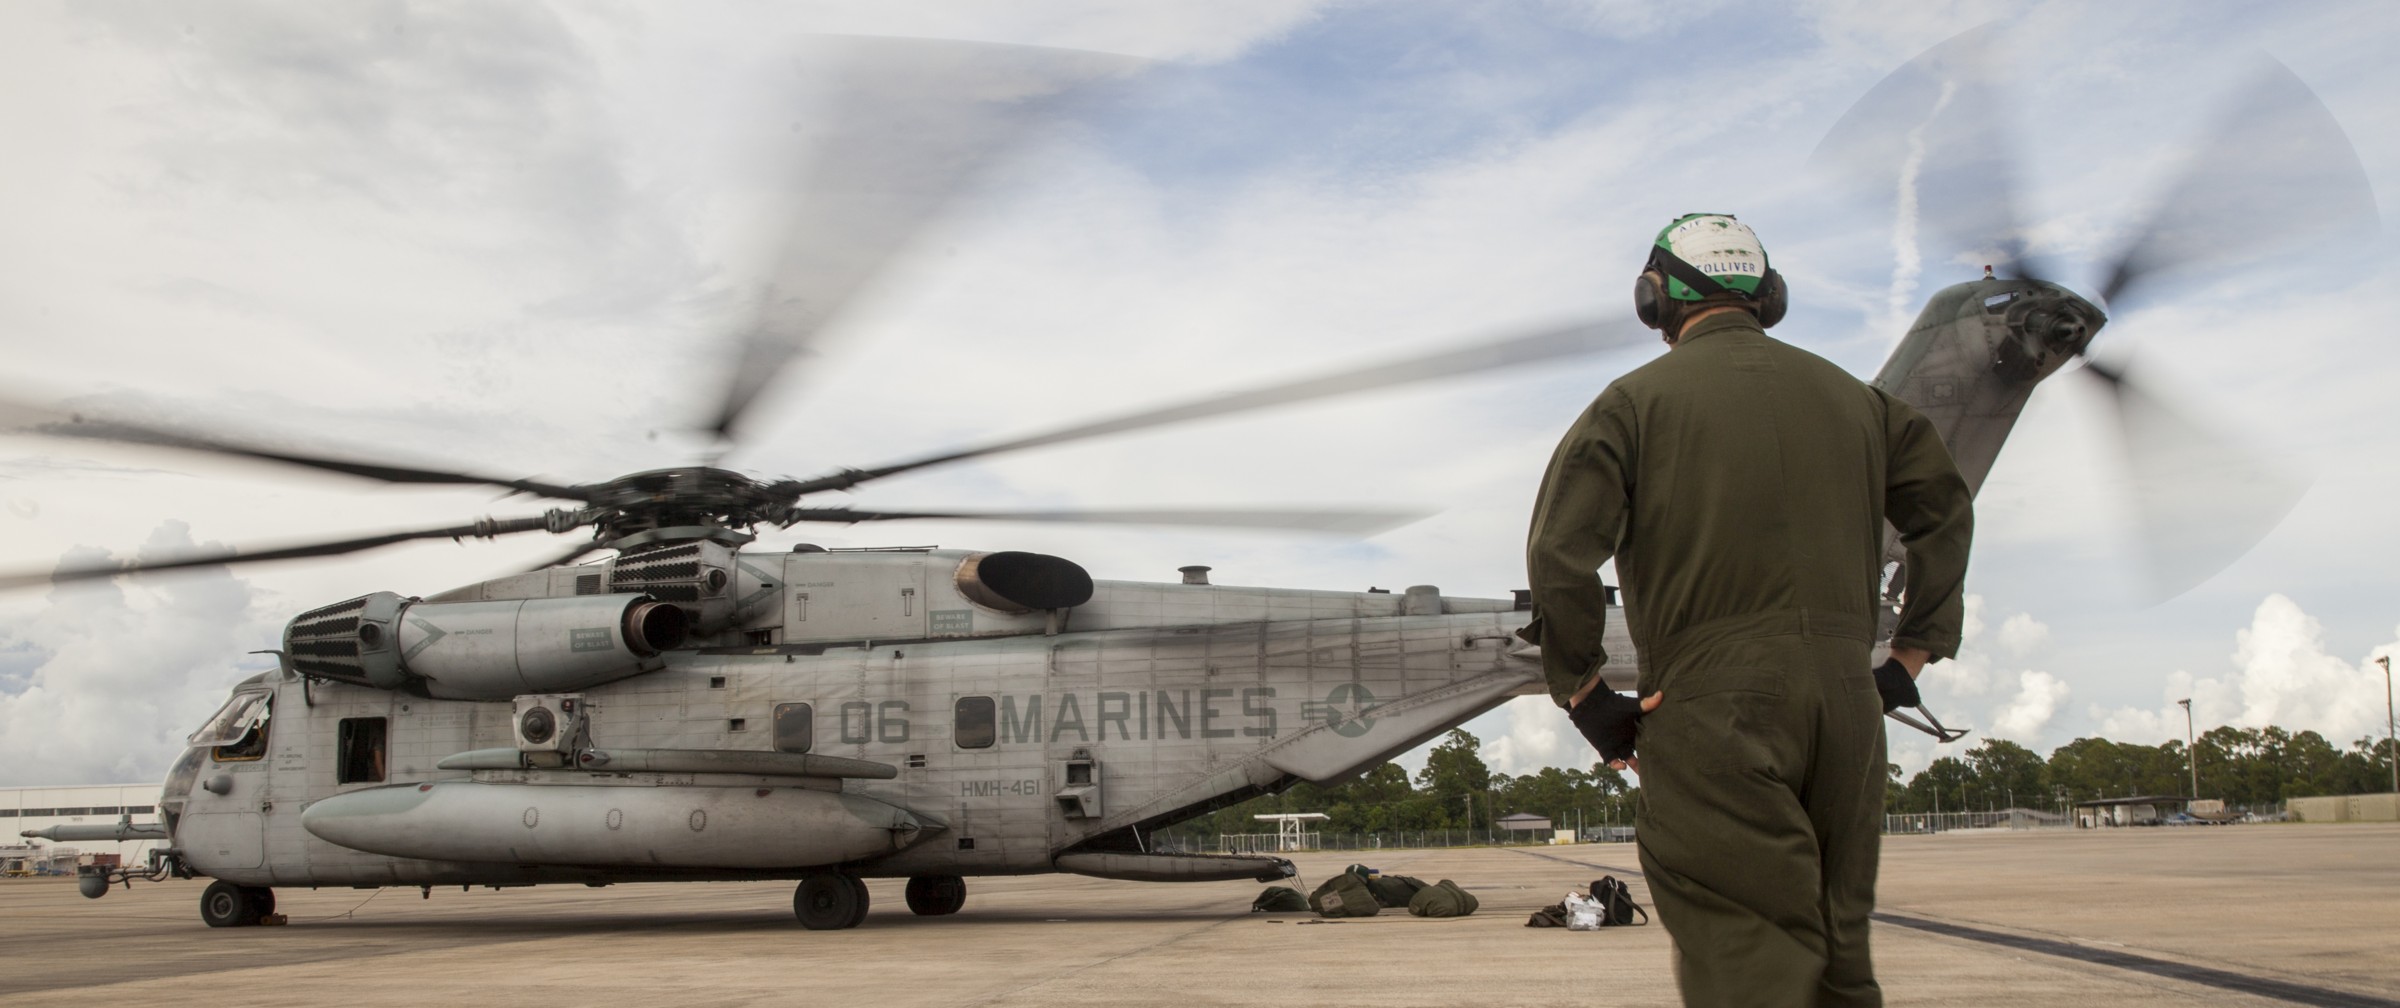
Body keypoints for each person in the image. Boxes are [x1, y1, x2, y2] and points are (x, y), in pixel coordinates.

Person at [1522, 213, 1972, 1007]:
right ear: (1769, 295)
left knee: (1750, 954)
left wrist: (1585, 693)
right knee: (1840, 956)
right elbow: (1945, 512)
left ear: (1653, 299)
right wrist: (1909, 655)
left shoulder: (1630, 405)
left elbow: (1560, 554)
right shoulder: (1865, 405)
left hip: (1713, 708)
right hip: (1849, 705)